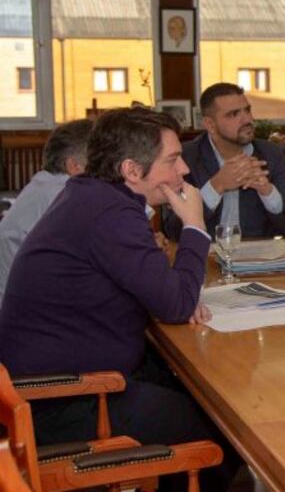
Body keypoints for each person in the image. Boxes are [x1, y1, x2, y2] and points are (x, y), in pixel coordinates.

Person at [0, 107, 238, 491]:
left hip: (68, 378)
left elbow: (160, 291)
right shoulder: (108, 212)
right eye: (173, 161)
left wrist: (173, 291)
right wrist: (194, 226)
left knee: (214, 394)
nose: (184, 173)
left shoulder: (94, 198)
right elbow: (175, 304)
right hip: (59, 399)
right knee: (219, 427)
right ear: (131, 170)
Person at [164, 82, 285, 239]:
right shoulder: (185, 157)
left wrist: (268, 192)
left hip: (257, 259)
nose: (247, 119)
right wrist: (216, 186)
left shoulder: (271, 155)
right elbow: (173, 230)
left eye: (247, 110)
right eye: (233, 114)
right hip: (205, 257)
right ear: (210, 125)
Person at [0, 119, 92, 301]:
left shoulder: (44, 185)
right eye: (100, 162)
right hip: (26, 316)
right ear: (74, 166)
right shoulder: (66, 194)